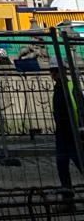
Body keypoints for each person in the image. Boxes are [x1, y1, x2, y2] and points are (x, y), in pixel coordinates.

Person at [50, 64, 81, 196]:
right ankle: (67, 198)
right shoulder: (57, 89)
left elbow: (81, 110)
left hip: (74, 132)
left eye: (55, 71)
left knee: (80, 162)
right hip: (61, 133)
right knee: (62, 166)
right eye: (52, 71)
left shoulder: (72, 87)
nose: (53, 74)